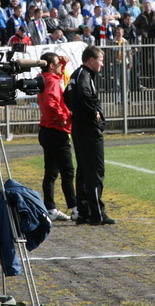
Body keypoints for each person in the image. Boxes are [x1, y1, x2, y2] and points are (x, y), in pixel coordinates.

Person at [64, 46, 115, 226]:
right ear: (91, 60)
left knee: (84, 171)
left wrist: (76, 112)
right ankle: (97, 213)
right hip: (88, 129)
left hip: (79, 127)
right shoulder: (84, 75)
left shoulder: (76, 75)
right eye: (100, 60)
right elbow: (85, 94)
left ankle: (84, 212)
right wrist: (94, 112)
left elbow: (66, 97)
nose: (102, 64)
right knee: (95, 170)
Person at [37, 52, 77, 222]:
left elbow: (55, 77)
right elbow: (52, 103)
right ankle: (75, 208)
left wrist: (63, 63)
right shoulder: (51, 82)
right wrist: (64, 118)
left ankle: (50, 207)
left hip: (46, 130)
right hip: (56, 131)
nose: (61, 66)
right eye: (58, 64)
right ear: (51, 66)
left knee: (51, 173)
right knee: (67, 172)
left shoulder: (43, 78)